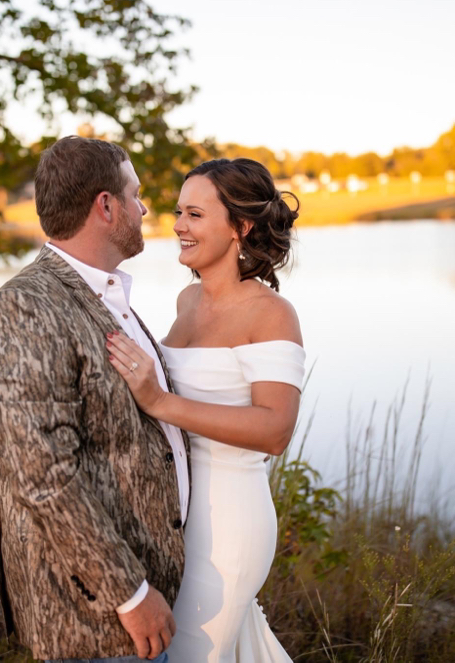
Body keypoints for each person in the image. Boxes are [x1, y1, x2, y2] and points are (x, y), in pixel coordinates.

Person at [0, 136, 191, 662]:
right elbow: (41, 474)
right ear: (106, 205)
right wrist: (130, 594)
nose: (144, 207)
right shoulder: (22, 308)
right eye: (135, 194)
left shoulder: (107, 297)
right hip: (95, 620)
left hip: (148, 596)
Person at [105, 158, 303, 662]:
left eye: (194, 214)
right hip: (176, 517)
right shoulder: (186, 300)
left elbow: (276, 430)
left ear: (241, 226)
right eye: (177, 212)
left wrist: (161, 402)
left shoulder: (270, 313)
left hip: (229, 522)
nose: (177, 226)